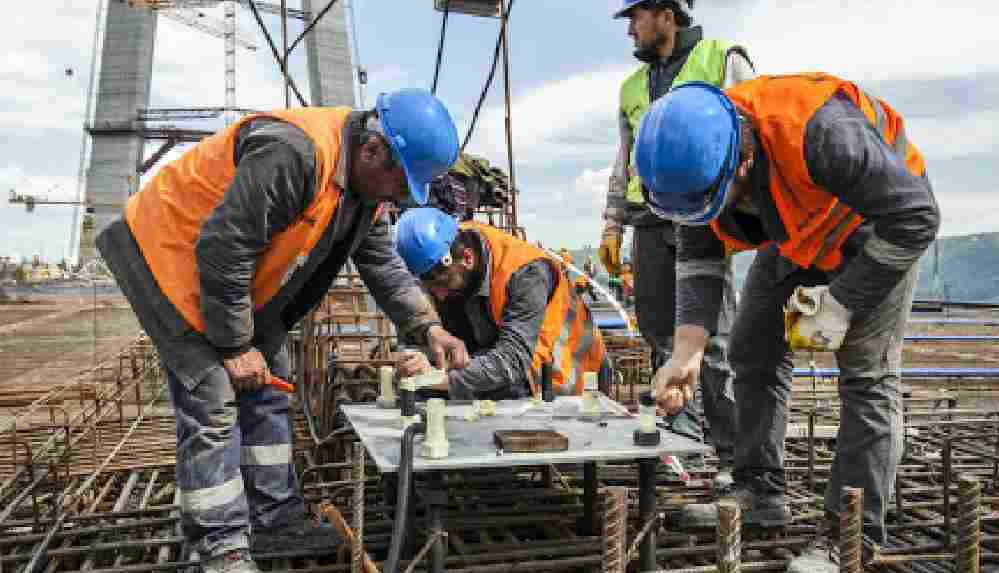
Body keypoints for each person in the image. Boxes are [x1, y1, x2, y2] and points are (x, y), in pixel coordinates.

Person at [96, 89, 470, 573]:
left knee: (272, 385)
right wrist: (232, 345)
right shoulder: (296, 153)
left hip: (240, 283)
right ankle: (217, 546)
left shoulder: (366, 188)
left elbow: (381, 263)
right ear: (374, 150)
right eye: (400, 185)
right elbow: (225, 246)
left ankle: (272, 518)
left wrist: (427, 327)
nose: (399, 198)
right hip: (170, 261)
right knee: (213, 400)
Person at [635, 75, 939, 570]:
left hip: (879, 229)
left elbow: (917, 218)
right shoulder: (693, 164)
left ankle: (851, 536)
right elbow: (699, 258)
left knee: (868, 380)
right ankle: (759, 490)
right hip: (797, 230)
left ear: (745, 159)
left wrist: (841, 302)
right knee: (752, 347)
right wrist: (686, 355)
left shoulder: (822, 133)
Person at [598, 0, 755, 489]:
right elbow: (625, 158)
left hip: (707, 213)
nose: (630, 31)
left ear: (665, 12)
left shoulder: (719, 57)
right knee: (659, 332)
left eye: (634, 18)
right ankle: (682, 440)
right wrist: (612, 222)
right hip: (649, 218)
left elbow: (750, 133)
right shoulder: (630, 88)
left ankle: (733, 453)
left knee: (714, 340)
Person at [394, 208, 609, 399]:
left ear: (467, 259)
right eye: (431, 289)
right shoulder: (441, 254)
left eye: (445, 284)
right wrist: (417, 358)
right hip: (504, 362)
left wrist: (434, 378)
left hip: (563, 377)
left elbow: (512, 362)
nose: (440, 297)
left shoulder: (527, 274)